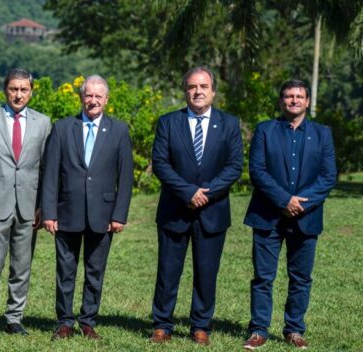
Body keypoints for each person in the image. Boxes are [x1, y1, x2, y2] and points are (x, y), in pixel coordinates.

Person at [149, 66, 243, 346]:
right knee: (167, 271)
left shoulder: (229, 124)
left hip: (212, 212)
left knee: (206, 271)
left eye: (203, 86)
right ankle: (162, 324)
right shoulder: (168, 122)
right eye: (192, 87)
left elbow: (234, 165)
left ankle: (200, 326)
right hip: (175, 210)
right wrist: (188, 192)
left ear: (213, 91)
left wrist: (207, 193)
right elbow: (161, 164)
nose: (198, 91)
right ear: (185, 91)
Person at [242, 79, 336, 350]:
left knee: (301, 277)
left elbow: (328, 176)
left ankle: (294, 329)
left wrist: (301, 204)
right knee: (263, 277)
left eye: (299, 96)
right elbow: (257, 171)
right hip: (268, 215)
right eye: (288, 96)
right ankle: (259, 330)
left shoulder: (322, 134)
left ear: (307, 101)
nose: (293, 100)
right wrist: (284, 200)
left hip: (306, 218)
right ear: (281, 101)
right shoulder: (265, 130)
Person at [40, 75, 134, 340]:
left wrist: (119, 215)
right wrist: (48, 212)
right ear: (81, 97)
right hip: (66, 212)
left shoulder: (118, 130)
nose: (93, 101)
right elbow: (50, 173)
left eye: (98, 96)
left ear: (106, 99)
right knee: (65, 270)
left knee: (95, 271)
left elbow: (125, 177)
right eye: (88, 95)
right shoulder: (62, 128)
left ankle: (88, 321)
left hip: (103, 216)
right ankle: (65, 321)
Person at [0, 68, 51, 337]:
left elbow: (46, 167)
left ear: (31, 91)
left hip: (29, 206)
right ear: (5, 90)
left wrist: (42, 205)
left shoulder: (43, 122)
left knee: (22, 265)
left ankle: (15, 317)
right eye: (13, 89)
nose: (18, 95)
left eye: (23, 90)